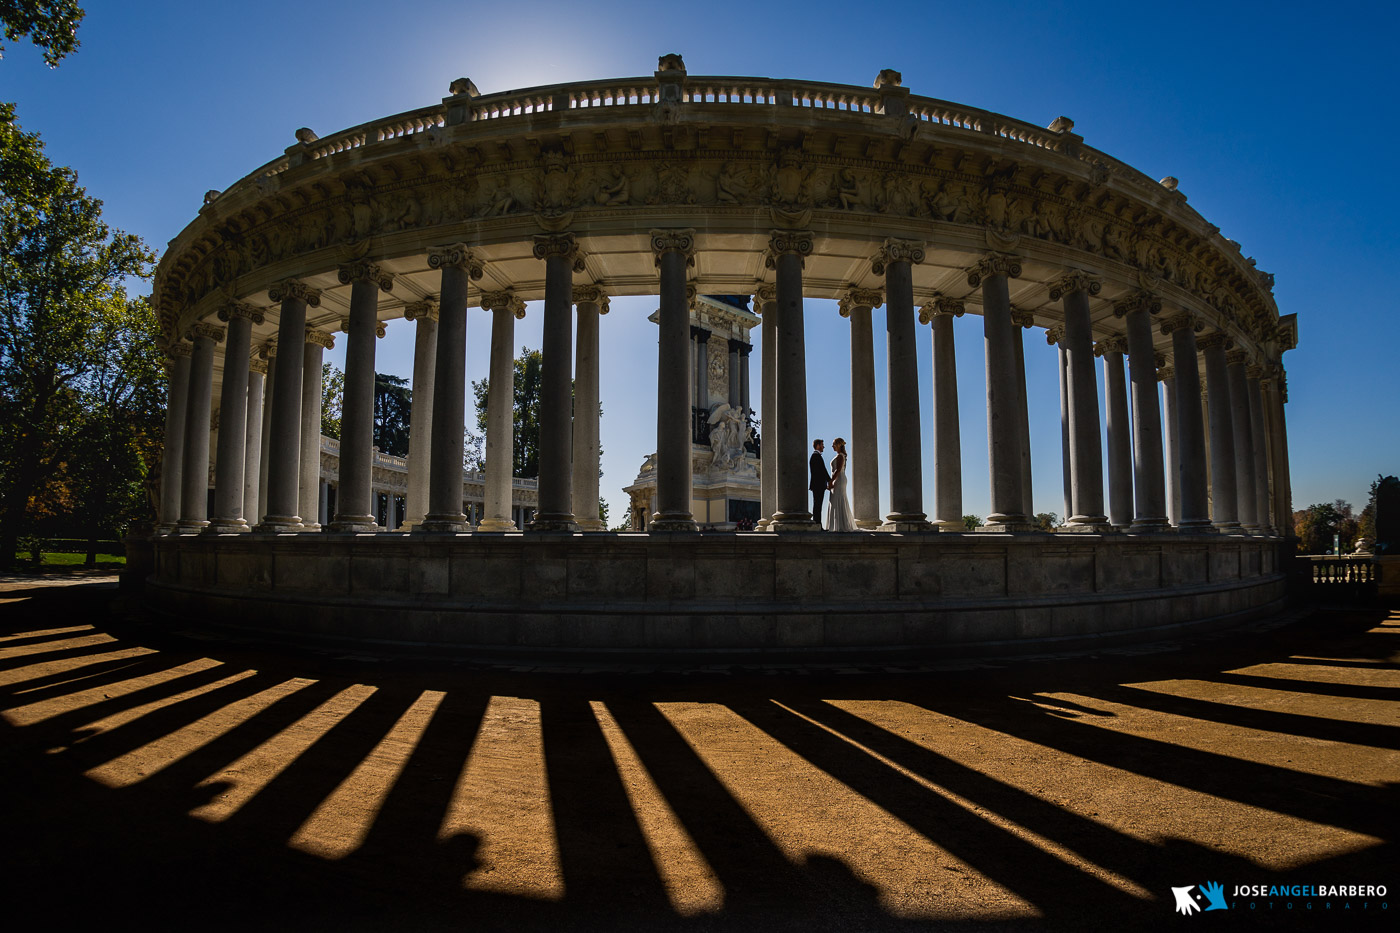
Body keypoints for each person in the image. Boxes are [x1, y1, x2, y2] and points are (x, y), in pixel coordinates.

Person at [826, 437, 856, 532]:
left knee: (838, 500)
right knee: (836, 500)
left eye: (834, 444)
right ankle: (838, 525)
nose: (832, 446)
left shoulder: (840, 456)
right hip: (839, 479)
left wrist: (831, 481)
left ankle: (841, 525)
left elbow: (838, 470)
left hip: (839, 479)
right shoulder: (841, 455)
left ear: (839, 445)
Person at [809, 439, 831, 525]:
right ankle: (817, 524)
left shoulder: (816, 456)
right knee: (818, 505)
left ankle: (818, 524)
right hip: (818, 485)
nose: (823, 447)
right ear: (818, 445)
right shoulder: (816, 456)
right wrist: (829, 481)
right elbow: (822, 471)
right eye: (822, 445)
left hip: (817, 485)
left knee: (818, 505)